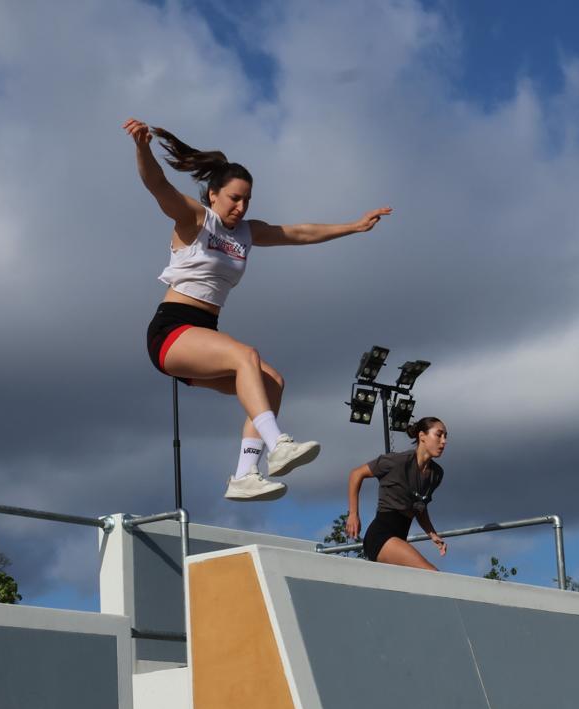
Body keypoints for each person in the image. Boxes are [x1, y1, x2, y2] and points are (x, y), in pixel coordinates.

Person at [124, 118, 392, 501]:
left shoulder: (247, 233)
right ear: (213, 194)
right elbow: (157, 185)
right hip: (171, 331)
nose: (241, 206)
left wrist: (353, 226)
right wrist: (142, 147)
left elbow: (298, 233)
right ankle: (278, 443)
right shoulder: (196, 220)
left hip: (204, 333)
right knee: (246, 356)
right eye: (234, 198)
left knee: (271, 383)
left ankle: (245, 475)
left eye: (247, 199)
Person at [344, 417, 448, 570]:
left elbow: (420, 507)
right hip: (380, 537)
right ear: (422, 436)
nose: (444, 441)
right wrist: (353, 514)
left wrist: (432, 534)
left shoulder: (436, 474)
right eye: (439, 435)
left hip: (400, 538)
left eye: (446, 436)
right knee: (431, 573)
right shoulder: (398, 461)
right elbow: (356, 474)